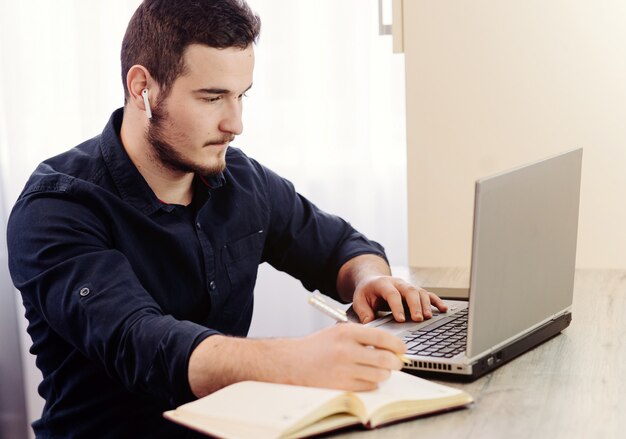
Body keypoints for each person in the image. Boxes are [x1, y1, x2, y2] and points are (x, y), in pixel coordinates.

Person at [6, 0, 447, 437]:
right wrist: (294, 362)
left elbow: (341, 247)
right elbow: (142, 344)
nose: (235, 124)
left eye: (241, 96)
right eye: (213, 97)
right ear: (143, 87)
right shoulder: (56, 208)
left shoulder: (240, 178)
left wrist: (368, 279)